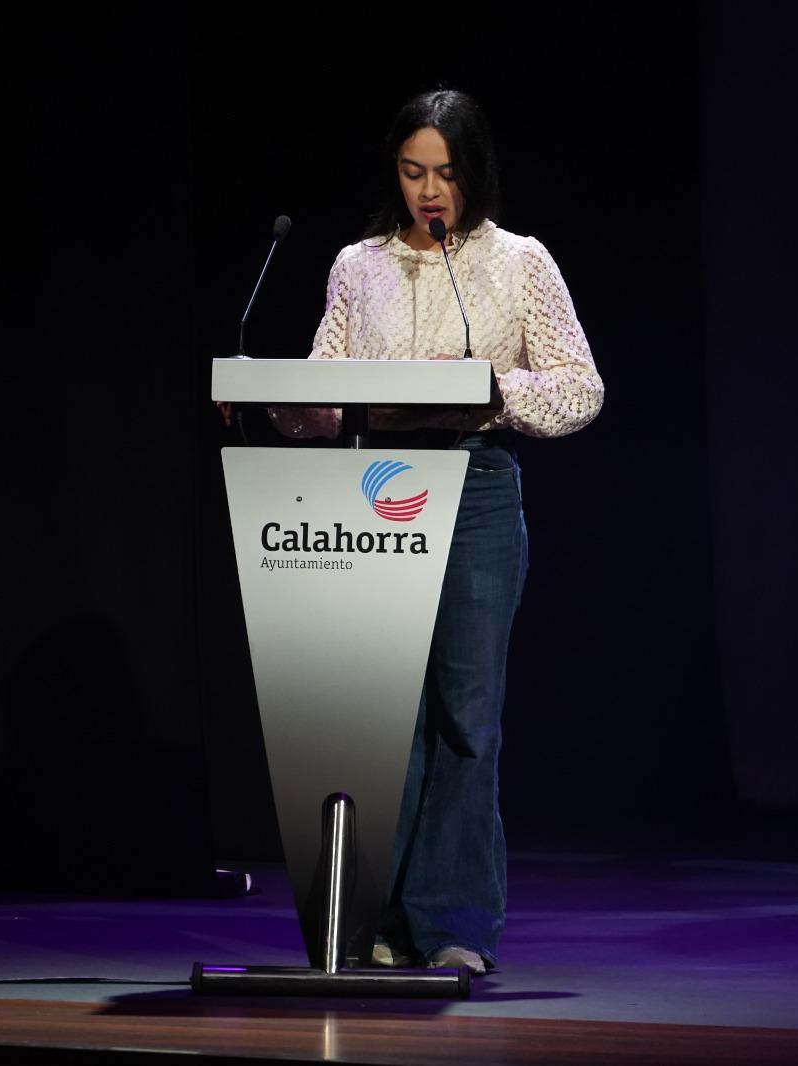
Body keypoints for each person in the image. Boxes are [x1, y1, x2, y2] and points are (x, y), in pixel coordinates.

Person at [270, 89, 604, 975]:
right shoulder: (359, 266)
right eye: (413, 171)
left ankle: (453, 926)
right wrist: (278, 406)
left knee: (466, 719)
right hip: (374, 489)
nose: (429, 191)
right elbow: (325, 388)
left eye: (446, 174)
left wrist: (494, 387)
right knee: (384, 720)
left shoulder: (519, 261)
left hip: (475, 487)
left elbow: (580, 389)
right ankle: (374, 924)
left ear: (473, 173)